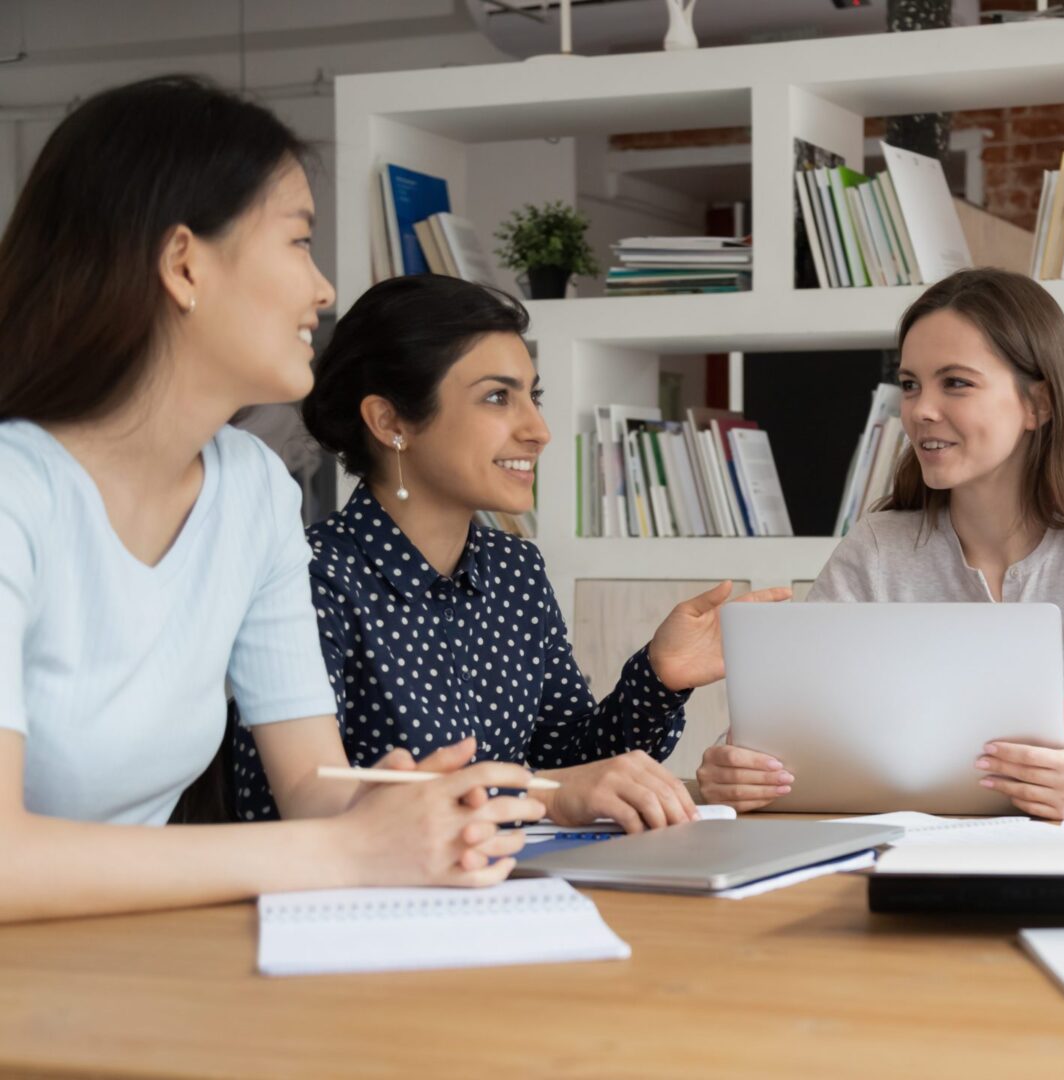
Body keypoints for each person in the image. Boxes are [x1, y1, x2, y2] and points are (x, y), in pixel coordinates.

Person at [0, 76, 543, 924]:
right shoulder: (15, 492)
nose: (323, 290)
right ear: (184, 263)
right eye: (298, 242)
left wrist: (391, 810)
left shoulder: (251, 489)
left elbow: (313, 790)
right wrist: (342, 848)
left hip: (111, 965)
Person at [228, 274, 787, 834]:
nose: (539, 430)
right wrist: (541, 792)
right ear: (391, 422)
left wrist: (659, 679)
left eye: (532, 396)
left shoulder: (514, 569)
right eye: (498, 397)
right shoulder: (309, 578)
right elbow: (282, 807)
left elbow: (570, 761)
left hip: (509, 885)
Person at [696, 268, 1064, 819]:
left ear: (1039, 403)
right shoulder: (877, 545)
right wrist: (733, 770)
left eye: (956, 383)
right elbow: (786, 737)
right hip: (901, 858)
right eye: (911, 384)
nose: (920, 410)